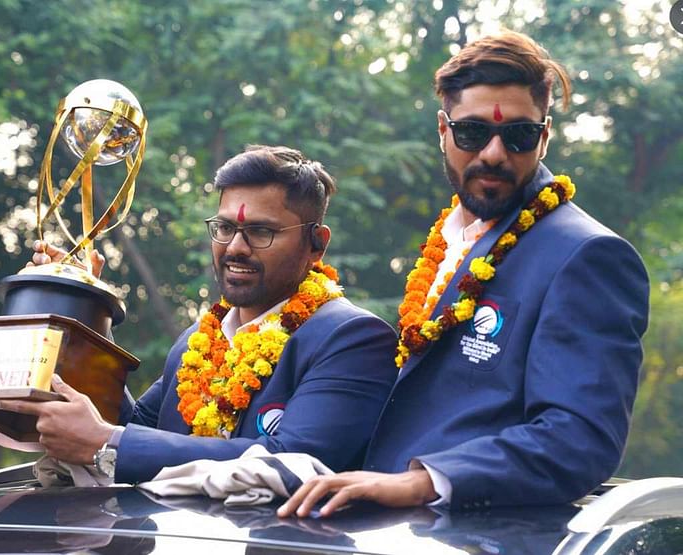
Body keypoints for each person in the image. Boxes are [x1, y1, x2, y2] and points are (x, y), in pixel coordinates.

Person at [278, 30, 650, 517]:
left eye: (518, 135)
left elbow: (579, 438)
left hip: (472, 535)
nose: (494, 153)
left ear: (545, 135)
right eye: (473, 132)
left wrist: (425, 482)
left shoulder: (587, 256)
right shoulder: (452, 238)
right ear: (442, 129)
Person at [0, 145, 399, 483]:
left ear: (316, 244)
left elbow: (289, 461)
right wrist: (84, 309)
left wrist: (108, 443)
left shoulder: (352, 338)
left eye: (261, 232)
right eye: (223, 228)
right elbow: (136, 426)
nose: (235, 247)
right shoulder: (197, 341)